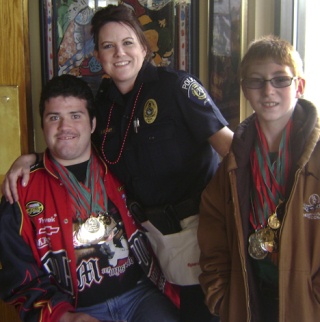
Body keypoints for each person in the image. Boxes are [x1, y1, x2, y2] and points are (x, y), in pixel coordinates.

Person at [1, 5, 233, 321]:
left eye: (127, 42)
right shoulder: (104, 105)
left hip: (202, 229)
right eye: (108, 45)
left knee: (210, 314)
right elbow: (71, 140)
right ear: (97, 54)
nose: (119, 53)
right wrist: (29, 158)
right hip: (156, 241)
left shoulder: (176, 87)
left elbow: (232, 150)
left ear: (143, 46)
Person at [0, 74, 180, 322]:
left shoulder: (121, 165)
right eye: (54, 118)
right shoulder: (21, 190)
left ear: (93, 124)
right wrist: (65, 317)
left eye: (76, 116)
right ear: (42, 126)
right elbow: (17, 276)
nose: (65, 127)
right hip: (75, 310)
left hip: (140, 296)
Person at [198, 34, 320, 322]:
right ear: (245, 90)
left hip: (306, 304)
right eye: (256, 80)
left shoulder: (315, 158)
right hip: (250, 298)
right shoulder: (235, 160)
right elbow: (213, 227)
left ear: (299, 86)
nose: (268, 90)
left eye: (280, 79)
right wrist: (221, 295)